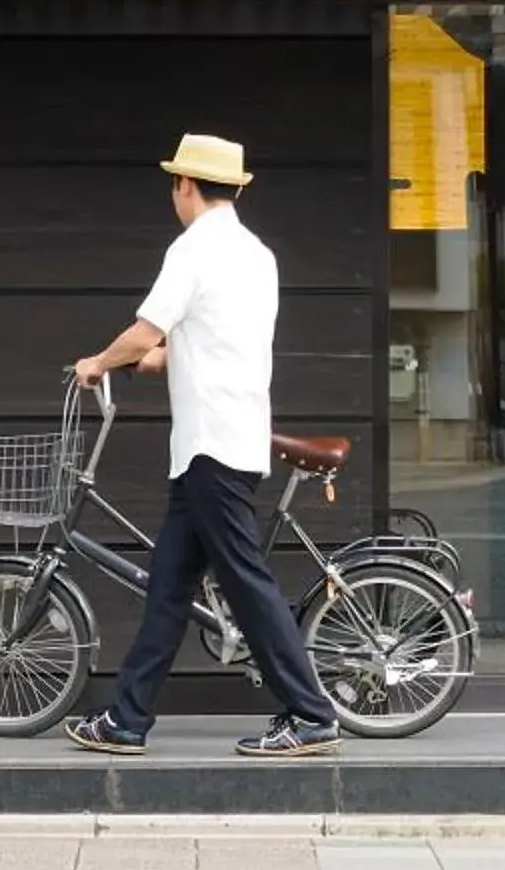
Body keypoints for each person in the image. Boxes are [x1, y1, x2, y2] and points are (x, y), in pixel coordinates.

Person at [62, 133, 342, 760]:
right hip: (223, 443)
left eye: (175, 185)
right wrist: (154, 360)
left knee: (246, 583)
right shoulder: (257, 255)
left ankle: (311, 714)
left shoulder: (192, 249)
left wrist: (98, 363)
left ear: (185, 185)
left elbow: (146, 330)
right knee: (168, 589)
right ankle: (127, 719)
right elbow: (212, 341)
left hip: (211, 445)